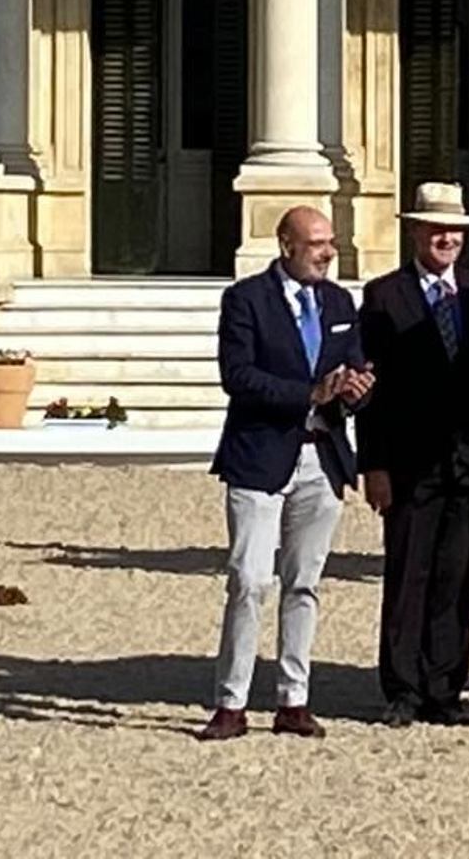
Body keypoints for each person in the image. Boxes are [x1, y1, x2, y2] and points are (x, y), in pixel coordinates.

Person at [199, 206, 374, 742]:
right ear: (286, 245)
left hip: (321, 457)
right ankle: (231, 701)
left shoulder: (340, 302)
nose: (327, 251)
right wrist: (307, 394)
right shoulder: (246, 299)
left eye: (331, 242)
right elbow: (238, 376)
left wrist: (357, 391)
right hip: (260, 456)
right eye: (316, 242)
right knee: (249, 579)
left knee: (304, 583)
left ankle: (293, 698)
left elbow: (358, 362)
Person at [357, 182, 469, 728]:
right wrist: (372, 465)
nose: (446, 238)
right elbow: (371, 390)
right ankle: (402, 688)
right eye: (436, 229)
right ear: (415, 232)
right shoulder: (384, 295)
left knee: (458, 574)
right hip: (407, 462)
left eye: (455, 231)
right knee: (409, 575)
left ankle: (445, 688)